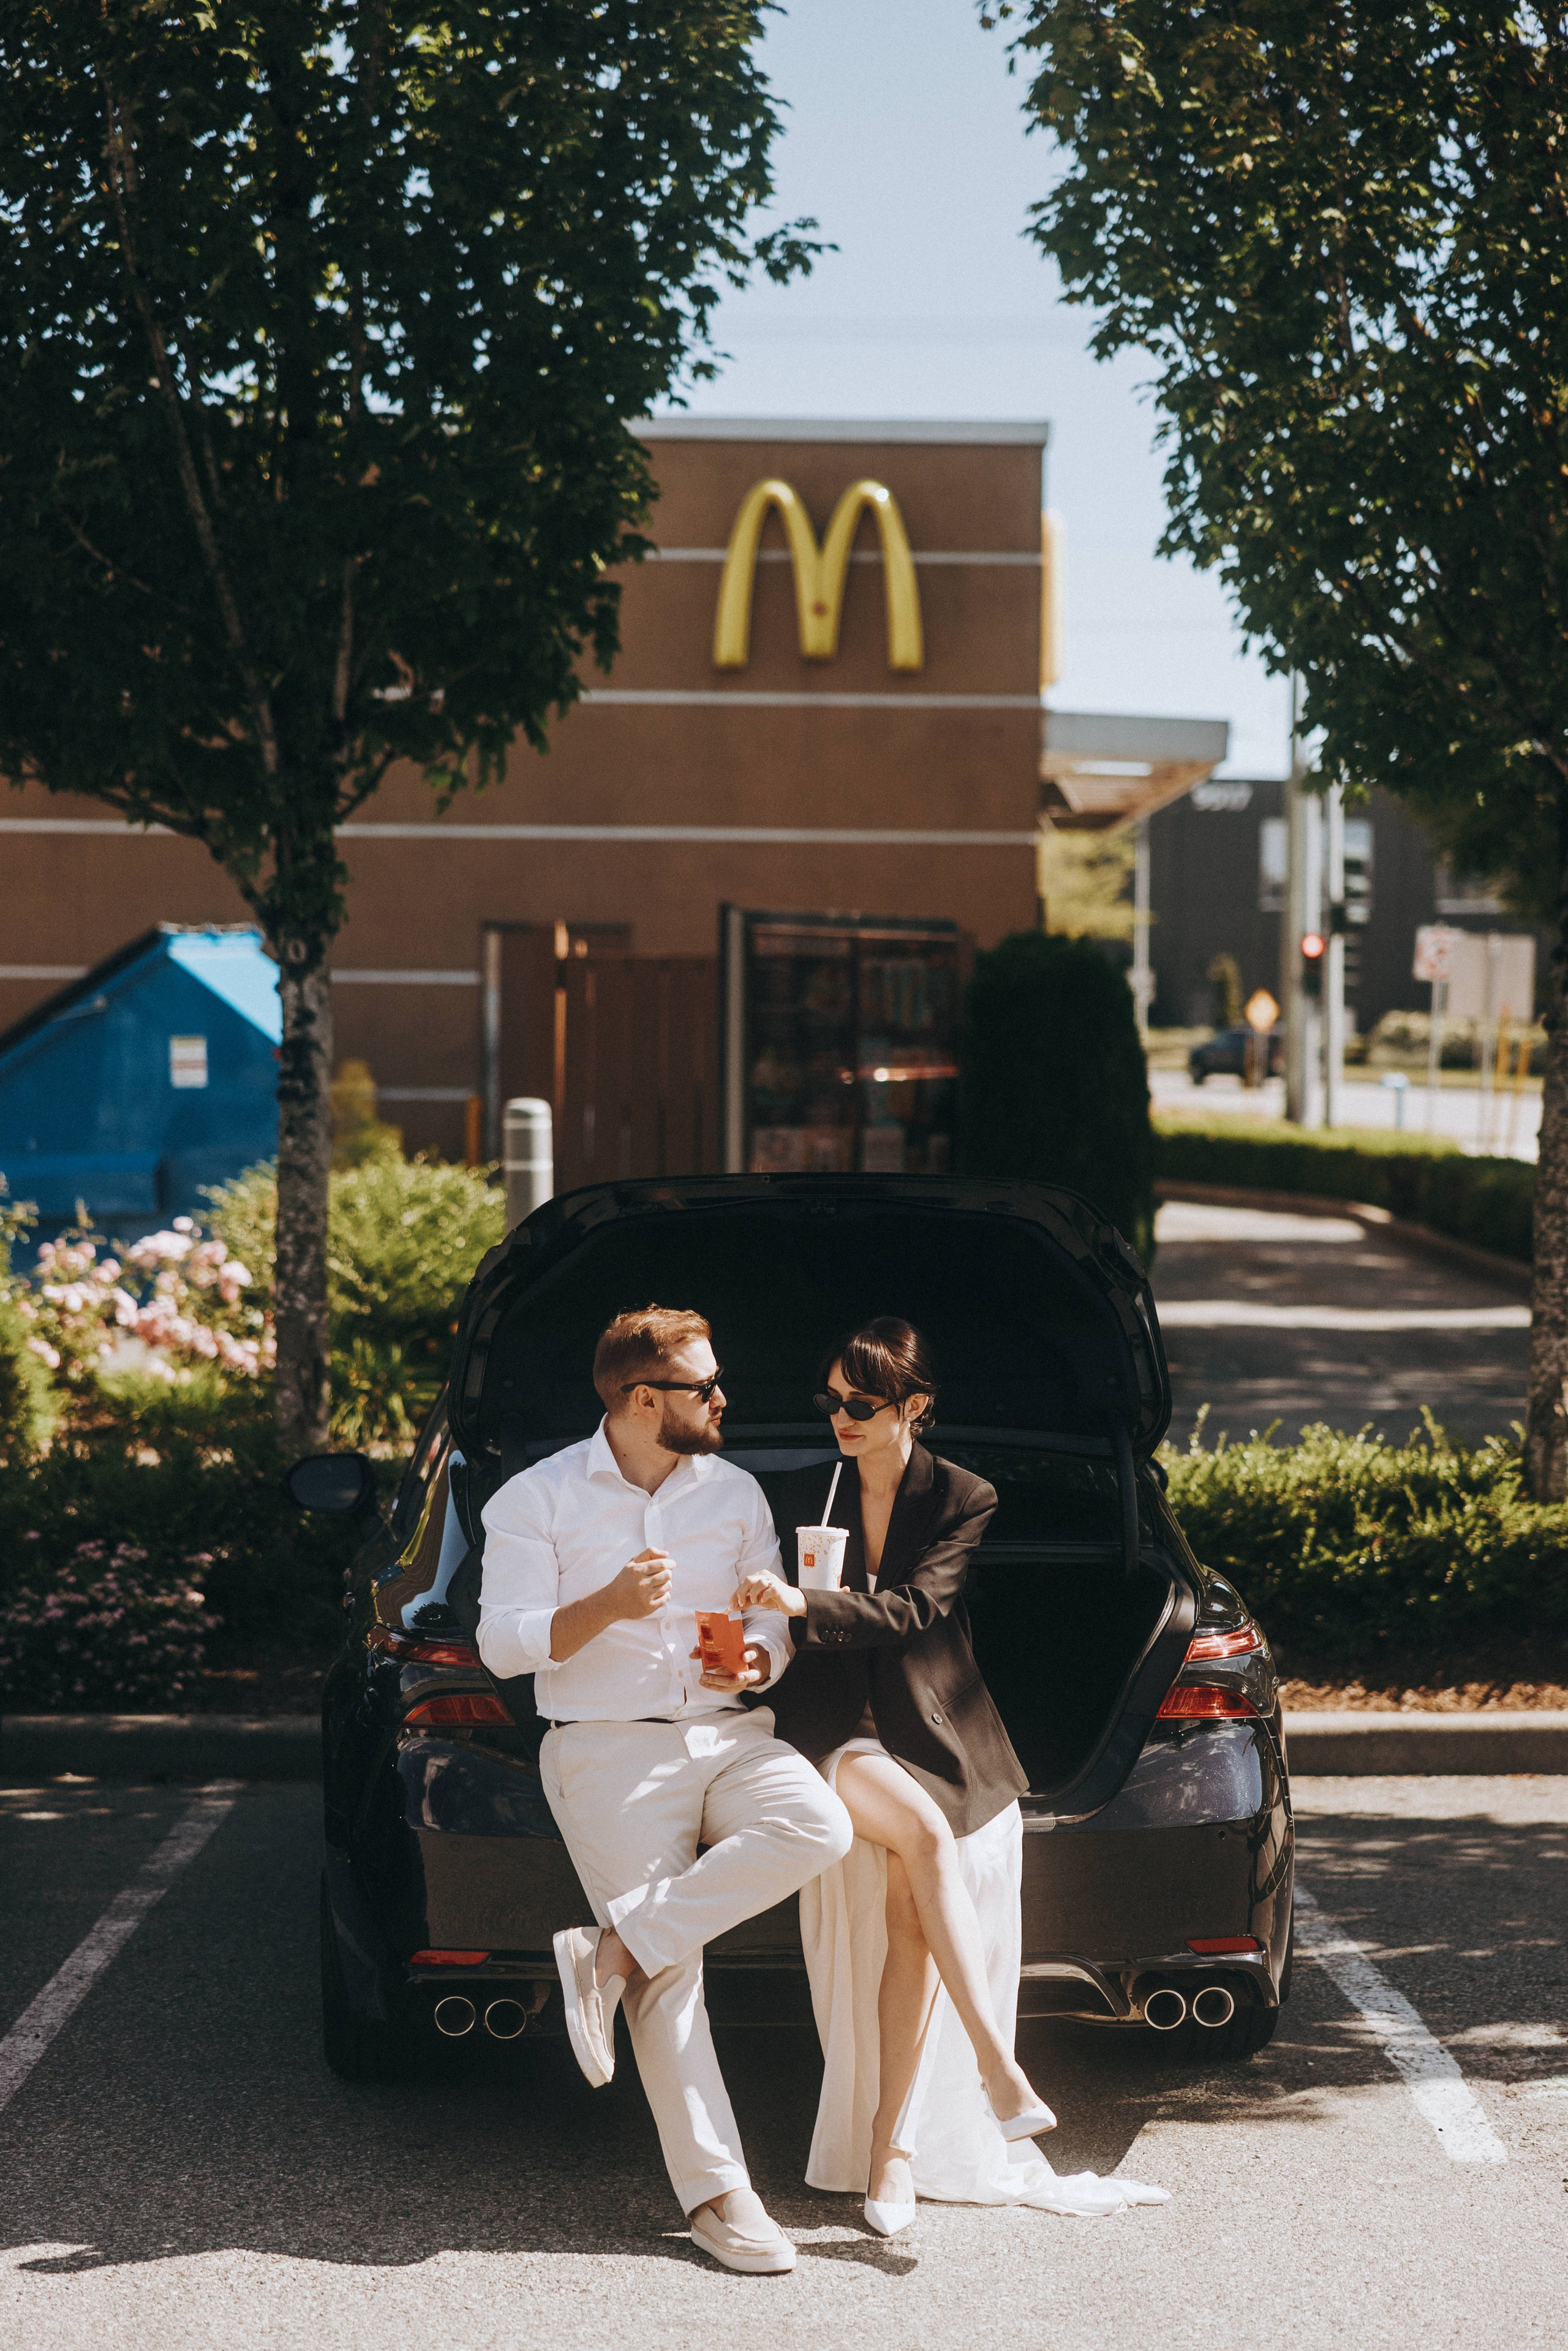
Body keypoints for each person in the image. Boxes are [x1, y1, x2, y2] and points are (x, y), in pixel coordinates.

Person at [737, 1316, 1168, 2231]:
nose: (840, 1417)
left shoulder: (966, 1494)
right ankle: (997, 2065)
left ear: (914, 1407)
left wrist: (804, 1601)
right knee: (927, 1837)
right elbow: (769, 1617)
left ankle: (890, 2153)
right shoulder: (801, 1489)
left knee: (910, 1909)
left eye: (862, 1403)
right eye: (832, 1400)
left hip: (934, 1728)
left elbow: (917, 1609)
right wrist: (770, 1624)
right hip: (833, 1726)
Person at [477, 1304, 853, 2276]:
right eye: (705, 1386)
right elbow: (500, 1643)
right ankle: (719, 2197)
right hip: (605, 1751)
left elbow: (765, 1613)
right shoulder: (536, 1498)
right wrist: (604, 1605)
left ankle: (609, 1952)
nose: (724, 1399)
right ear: (644, 1399)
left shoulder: (734, 1493)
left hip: (730, 1733)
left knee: (819, 1824)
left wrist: (759, 1660)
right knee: (672, 1972)